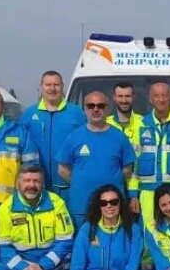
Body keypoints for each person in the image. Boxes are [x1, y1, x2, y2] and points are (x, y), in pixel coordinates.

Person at [56, 90, 135, 224]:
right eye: (91, 106)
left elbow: (127, 170)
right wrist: (80, 182)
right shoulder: (73, 137)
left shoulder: (120, 137)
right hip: (82, 206)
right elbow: (62, 170)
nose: (95, 109)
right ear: (84, 109)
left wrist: (110, 180)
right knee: (82, 243)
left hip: (112, 206)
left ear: (108, 108)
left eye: (100, 106)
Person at [128, 82, 170, 224]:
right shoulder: (140, 124)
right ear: (150, 99)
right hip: (147, 194)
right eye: (156, 96)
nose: (161, 99)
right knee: (149, 234)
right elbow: (133, 164)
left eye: (165, 95)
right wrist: (133, 194)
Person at [22, 70, 85, 199]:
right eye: (48, 84)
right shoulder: (29, 114)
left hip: (68, 185)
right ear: (41, 87)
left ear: (62, 86)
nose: (52, 88)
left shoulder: (76, 113)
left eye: (56, 85)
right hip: (37, 185)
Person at [107, 81, 144, 146]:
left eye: (128, 96)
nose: (124, 100)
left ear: (133, 97)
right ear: (114, 98)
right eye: (120, 96)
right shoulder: (105, 123)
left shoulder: (144, 122)